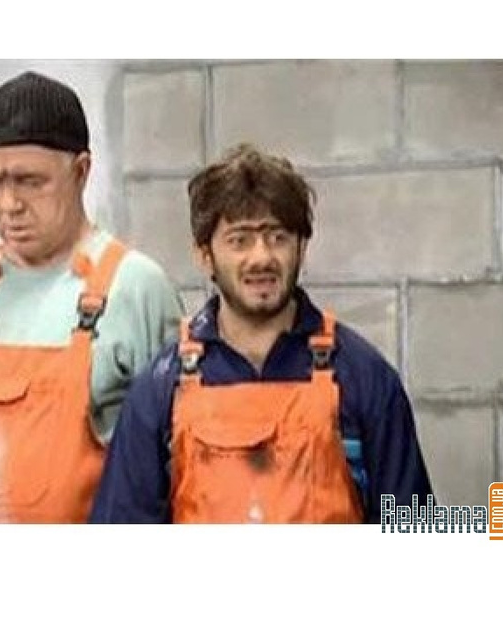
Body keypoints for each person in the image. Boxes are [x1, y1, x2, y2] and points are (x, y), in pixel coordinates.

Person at [91, 143, 434, 524]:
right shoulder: (159, 390)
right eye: (239, 240)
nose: (261, 257)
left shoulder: (365, 379)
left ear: (302, 248)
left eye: (277, 237)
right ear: (205, 255)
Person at [0, 71, 183, 523]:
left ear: (81, 172)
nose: (9, 204)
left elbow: (179, 467)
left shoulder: (138, 291)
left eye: (30, 181)